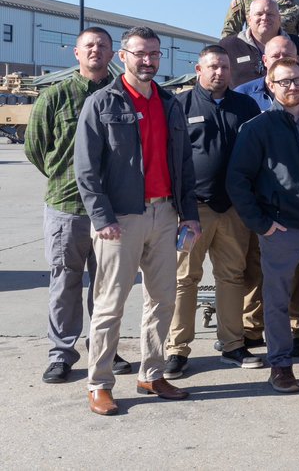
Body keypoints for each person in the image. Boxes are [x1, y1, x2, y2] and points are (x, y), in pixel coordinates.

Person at [74, 26, 201, 416]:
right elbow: (86, 168)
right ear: (123, 56)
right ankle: (99, 383)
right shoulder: (102, 103)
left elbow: (183, 164)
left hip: (165, 215)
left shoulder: (169, 103)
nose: (148, 61)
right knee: (110, 304)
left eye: (155, 54)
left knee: (162, 299)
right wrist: (102, 218)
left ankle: (152, 372)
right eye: (141, 54)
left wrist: (190, 216)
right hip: (120, 220)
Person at [226, 57, 299, 393]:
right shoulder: (257, 129)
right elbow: (238, 180)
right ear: (270, 86)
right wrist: (262, 224)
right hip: (280, 231)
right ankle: (280, 366)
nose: (292, 87)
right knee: (276, 302)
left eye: (297, 79)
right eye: (284, 82)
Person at [25, 27, 132, 383]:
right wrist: (64, 177)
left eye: (102, 46)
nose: (96, 51)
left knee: (108, 285)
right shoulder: (55, 96)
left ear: (113, 53)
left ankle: (105, 348)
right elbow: (35, 148)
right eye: (89, 45)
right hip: (67, 207)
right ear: (76, 52)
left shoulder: (122, 96)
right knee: (65, 282)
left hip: (112, 209)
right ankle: (61, 354)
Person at [165, 46, 263, 378]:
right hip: (193, 210)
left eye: (224, 66)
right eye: (212, 67)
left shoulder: (245, 106)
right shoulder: (180, 105)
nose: (219, 72)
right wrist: (179, 205)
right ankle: (176, 349)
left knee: (232, 277)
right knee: (184, 278)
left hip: (234, 210)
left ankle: (233, 344)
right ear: (198, 69)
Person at [219, 0, 299, 100]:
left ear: (279, 19)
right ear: (249, 20)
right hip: (243, 115)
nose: (264, 18)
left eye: (270, 14)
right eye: (259, 14)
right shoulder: (228, 47)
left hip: (293, 113)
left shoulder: (298, 46)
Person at [234, 34, 299, 110]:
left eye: (287, 56)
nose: (281, 60)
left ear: (297, 60)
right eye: (275, 56)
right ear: (265, 60)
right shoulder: (243, 95)